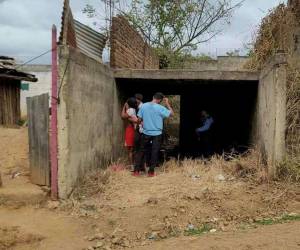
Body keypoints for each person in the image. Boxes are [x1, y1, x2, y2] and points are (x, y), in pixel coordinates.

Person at [133, 92, 174, 177]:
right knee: (154, 152)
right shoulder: (160, 108)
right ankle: (151, 172)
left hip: (146, 132)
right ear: (159, 100)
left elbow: (139, 120)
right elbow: (172, 114)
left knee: (141, 151)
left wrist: (141, 122)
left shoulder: (143, 106)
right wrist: (167, 104)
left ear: (153, 97)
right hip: (157, 133)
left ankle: (136, 171)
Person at [121, 97, 138, 166]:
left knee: (130, 149)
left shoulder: (130, 110)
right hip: (134, 129)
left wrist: (124, 107)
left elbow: (122, 116)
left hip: (130, 130)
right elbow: (129, 114)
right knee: (133, 148)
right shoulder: (133, 110)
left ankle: (132, 165)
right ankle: (134, 164)